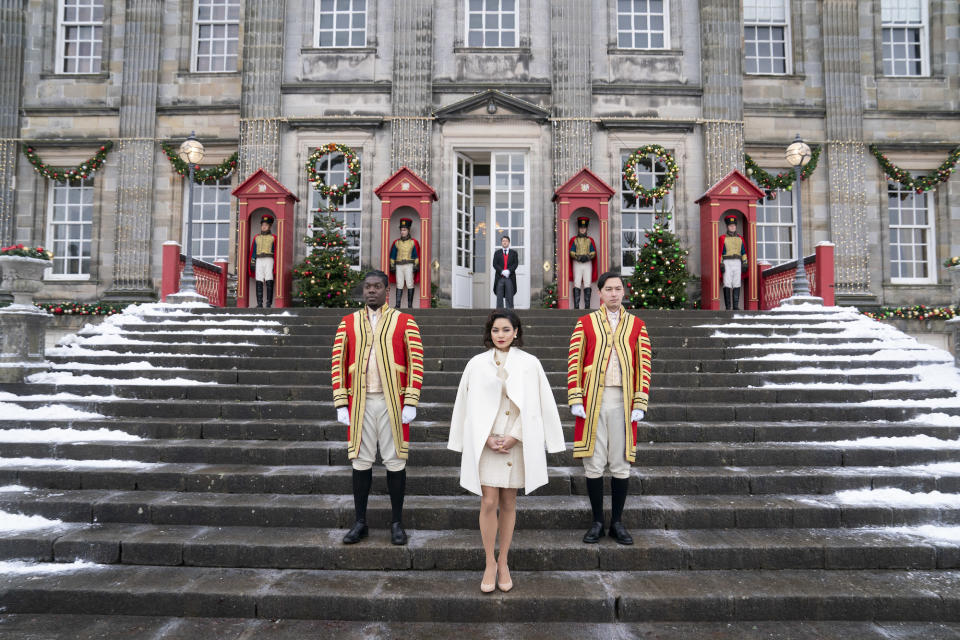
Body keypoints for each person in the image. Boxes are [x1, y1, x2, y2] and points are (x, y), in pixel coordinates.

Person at [449, 310, 565, 593]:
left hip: (515, 440)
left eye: (506, 330)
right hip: (487, 441)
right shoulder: (476, 364)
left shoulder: (529, 363)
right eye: (495, 330)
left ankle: (504, 561)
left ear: (516, 332)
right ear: (489, 333)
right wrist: (485, 436)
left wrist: (515, 436)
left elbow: (540, 403)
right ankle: (489, 560)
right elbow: (467, 403)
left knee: (509, 501)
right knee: (489, 501)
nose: (500, 335)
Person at [331, 270, 424, 546]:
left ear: (387, 291)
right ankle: (360, 521)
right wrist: (340, 402)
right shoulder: (348, 323)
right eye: (368, 286)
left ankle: (397, 522)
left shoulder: (404, 321)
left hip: (392, 401)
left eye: (377, 286)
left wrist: (411, 400)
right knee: (360, 461)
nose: (371, 291)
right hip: (359, 402)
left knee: (396, 461)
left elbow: (415, 361)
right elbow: (337, 364)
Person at [567, 271, 651, 546]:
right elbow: (575, 362)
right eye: (609, 289)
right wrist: (576, 397)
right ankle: (596, 521)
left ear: (623, 292)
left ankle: (616, 522)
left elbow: (644, 366)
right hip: (593, 401)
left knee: (620, 462)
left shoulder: (637, 325)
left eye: (618, 289)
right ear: (599, 293)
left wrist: (640, 401)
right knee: (593, 462)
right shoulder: (585, 323)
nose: (614, 293)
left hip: (624, 402)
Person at [389, 218, 420, 309]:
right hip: (399, 265)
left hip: (409, 265)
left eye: (404, 230)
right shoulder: (396, 243)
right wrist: (392, 264)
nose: (402, 232)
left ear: (408, 230)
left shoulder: (413, 242)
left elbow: (416, 254)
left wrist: (416, 264)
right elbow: (393, 255)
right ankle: (397, 305)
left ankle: (410, 305)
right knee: (399, 284)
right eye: (401, 230)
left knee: (410, 283)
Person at [568, 216, 598, 309]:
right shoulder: (574, 240)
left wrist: (588, 256)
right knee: (576, 282)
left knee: (587, 282)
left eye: (584, 228)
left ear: (586, 228)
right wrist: (578, 257)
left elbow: (593, 252)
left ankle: (587, 306)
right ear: (578, 228)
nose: (582, 229)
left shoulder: (590, 240)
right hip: (577, 262)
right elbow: (571, 251)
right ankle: (576, 306)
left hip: (587, 263)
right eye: (581, 228)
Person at [719, 214, 747, 310]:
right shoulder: (722, 238)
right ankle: (728, 307)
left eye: (734, 225)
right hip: (727, 262)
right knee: (727, 282)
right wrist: (721, 263)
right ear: (727, 226)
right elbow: (720, 252)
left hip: (737, 262)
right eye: (731, 225)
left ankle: (735, 306)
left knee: (737, 282)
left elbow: (743, 252)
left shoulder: (740, 238)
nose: (732, 227)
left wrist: (745, 262)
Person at [248, 214, 276, 308]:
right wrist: (253, 262)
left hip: (269, 259)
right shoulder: (257, 237)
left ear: (270, 226)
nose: (264, 227)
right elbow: (253, 251)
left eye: (266, 225)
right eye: (262, 225)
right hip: (259, 259)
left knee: (269, 278)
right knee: (259, 279)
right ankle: (259, 303)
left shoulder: (273, 237)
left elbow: (276, 251)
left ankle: (269, 303)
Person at [492, 235, 519, 309]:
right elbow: (494, 264)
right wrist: (501, 271)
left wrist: (509, 271)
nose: (504, 242)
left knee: (509, 295)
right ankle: (499, 312)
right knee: (499, 295)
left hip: (510, 277)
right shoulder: (497, 253)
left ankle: (510, 312)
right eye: (503, 241)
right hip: (500, 277)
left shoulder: (514, 253)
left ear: (509, 242)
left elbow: (515, 264)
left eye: (506, 241)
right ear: (501, 242)